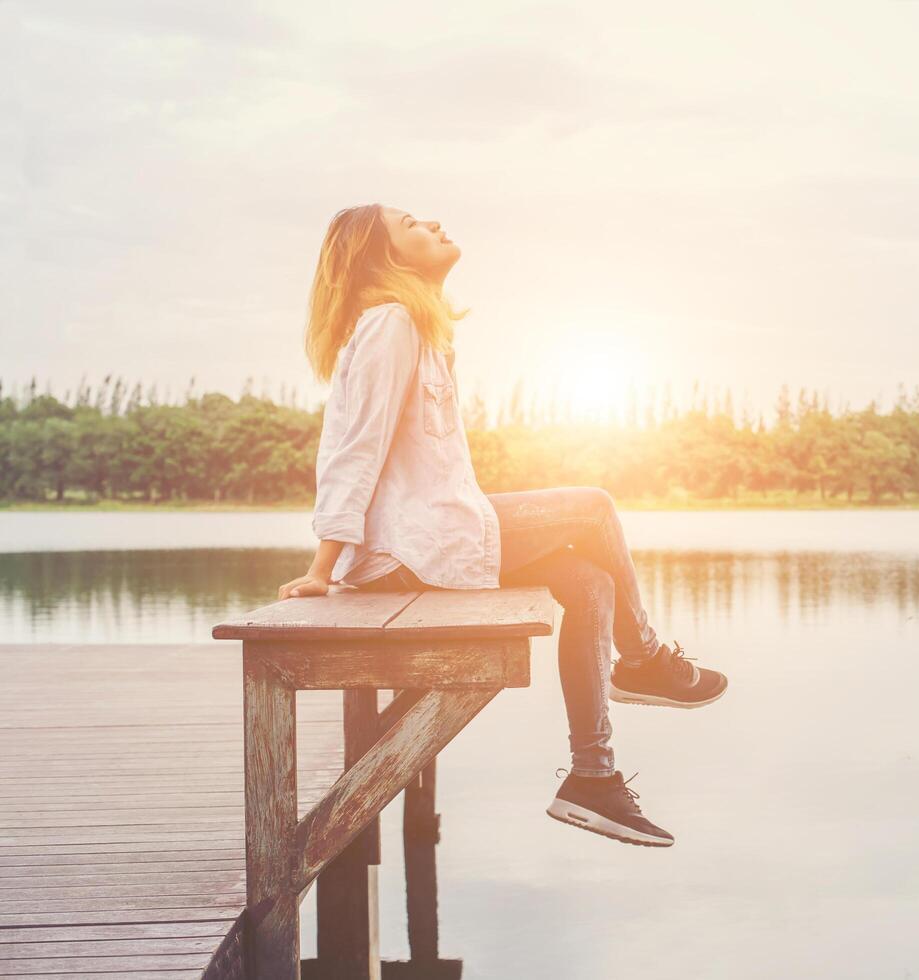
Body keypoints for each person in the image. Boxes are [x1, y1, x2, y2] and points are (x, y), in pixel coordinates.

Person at [275, 203, 727, 848]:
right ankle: (645, 659)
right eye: (412, 225)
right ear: (386, 258)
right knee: (593, 505)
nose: (433, 224)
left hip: (439, 538)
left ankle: (592, 779)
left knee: (590, 581)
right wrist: (326, 564)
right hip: (408, 550)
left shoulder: (419, 328)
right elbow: (353, 446)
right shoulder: (391, 323)